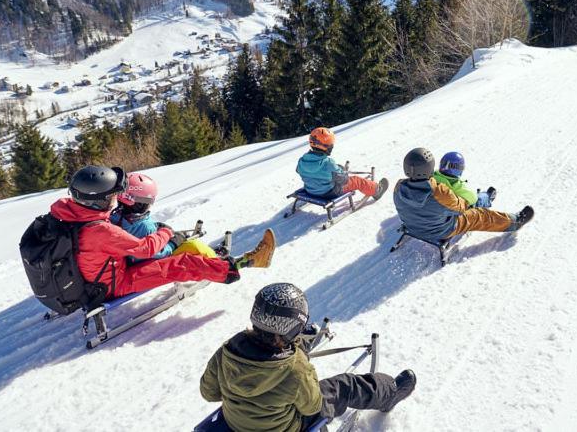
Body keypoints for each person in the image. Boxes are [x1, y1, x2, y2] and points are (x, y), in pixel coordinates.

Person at [199, 283, 416, 432]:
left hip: (236, 423)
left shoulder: (227, 350)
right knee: (345, 386)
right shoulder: (295, 369)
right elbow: (312, 407)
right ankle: (391, 393)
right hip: (286, 428)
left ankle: (300, 341)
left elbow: (209, 392)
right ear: (290, 330)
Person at [49, 165, 274, 298]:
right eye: (111, 196)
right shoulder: (101, 231)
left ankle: (216, 261)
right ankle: (241, 264)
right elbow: (146, 249)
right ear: (96, 201)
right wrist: (165, 233)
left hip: (89, 275)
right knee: (184, 263)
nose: (116, 199)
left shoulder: (70, 213)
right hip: (113, 284)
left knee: (180, 255)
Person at [393, 148, 533, 244]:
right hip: (440, 231)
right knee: (479, 215)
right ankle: (515, 222)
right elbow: (461, 208)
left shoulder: (398, 187)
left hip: (411, 226)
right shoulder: (439, 192)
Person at [112, 171, 218, 260]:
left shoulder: (113, 218)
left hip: (127, 258)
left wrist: (157, 227)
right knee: (194, 246)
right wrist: (173, 243)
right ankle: (215, 261)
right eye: (149, 201)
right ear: (140, 203)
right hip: (145, 264)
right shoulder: (145, 227)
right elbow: (157, 252)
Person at [296, 127, 389, 201]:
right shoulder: (328, 163)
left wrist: (336, 170)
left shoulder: (302, 160)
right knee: (356, 180)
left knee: (335, 170)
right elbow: (344, 180)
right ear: (325, 146)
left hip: (310, 190)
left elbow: (300, 171)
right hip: (328, 193)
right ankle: (377, 191)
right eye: (331, 145)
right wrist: (343, 173)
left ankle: (337, 172)